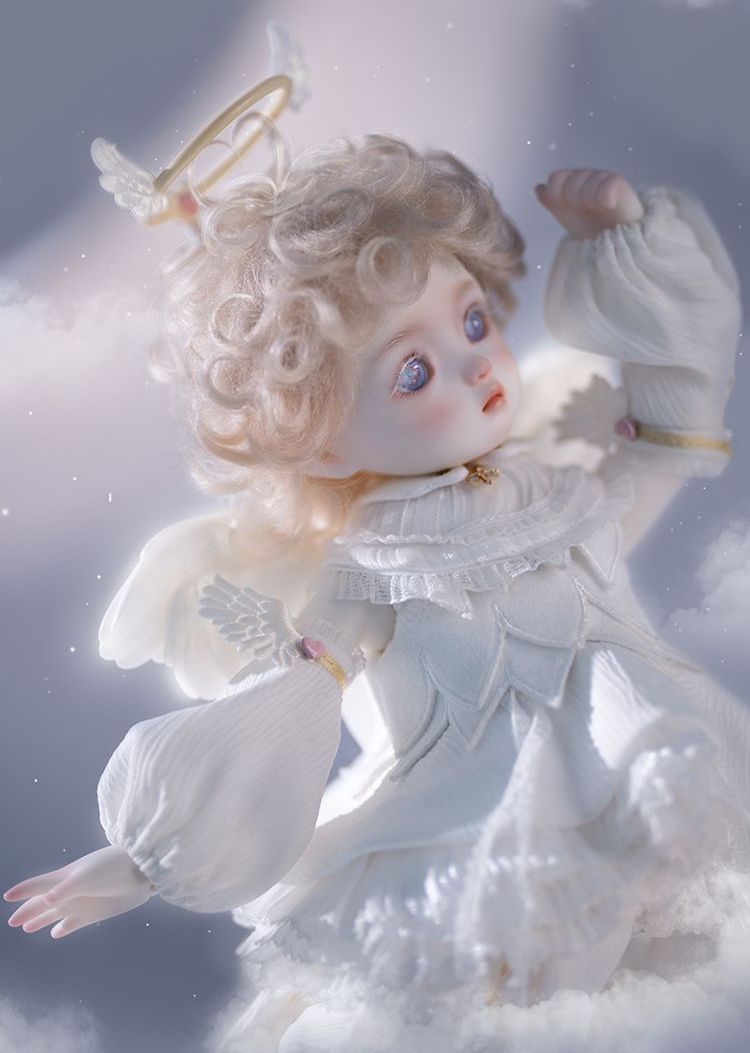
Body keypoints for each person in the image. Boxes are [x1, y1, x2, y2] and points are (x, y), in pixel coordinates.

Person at [5, 135, 749, 1051]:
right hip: (482, 839)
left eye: (471, 322)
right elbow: (281, 705)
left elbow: (670, 442)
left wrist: (624, 247)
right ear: (321, 443)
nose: (478, 365)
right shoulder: (370, 573)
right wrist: (147, 860)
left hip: (654, 779)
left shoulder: (560, 494)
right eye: (413, 371)